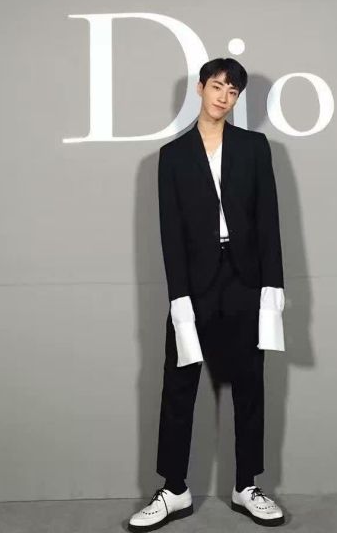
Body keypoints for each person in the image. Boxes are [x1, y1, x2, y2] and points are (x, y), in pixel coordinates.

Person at [129, 58, 286, 530]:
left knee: (250, 384)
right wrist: (178, 295)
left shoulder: (254, 148)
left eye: (233, 91)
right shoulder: (172, 156)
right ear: (200, 88)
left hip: (244, 279)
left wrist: (272, 288)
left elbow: (269, 222)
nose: (224, 97)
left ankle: (246, 485)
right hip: (196, 283)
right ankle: (174, 489)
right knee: (179, 384)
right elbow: (170, 234)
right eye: (218, 86)